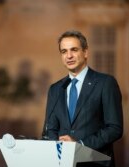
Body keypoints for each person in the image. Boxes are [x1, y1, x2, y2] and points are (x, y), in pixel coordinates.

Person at [42, 30, 123, 167]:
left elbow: (114, 128)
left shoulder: (105, 83)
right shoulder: (55, 89)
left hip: (94, 162)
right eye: (64, 51)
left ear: (85, 52)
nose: (69, 56)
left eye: (74, 50)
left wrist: (80, 145)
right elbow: (50, 129)